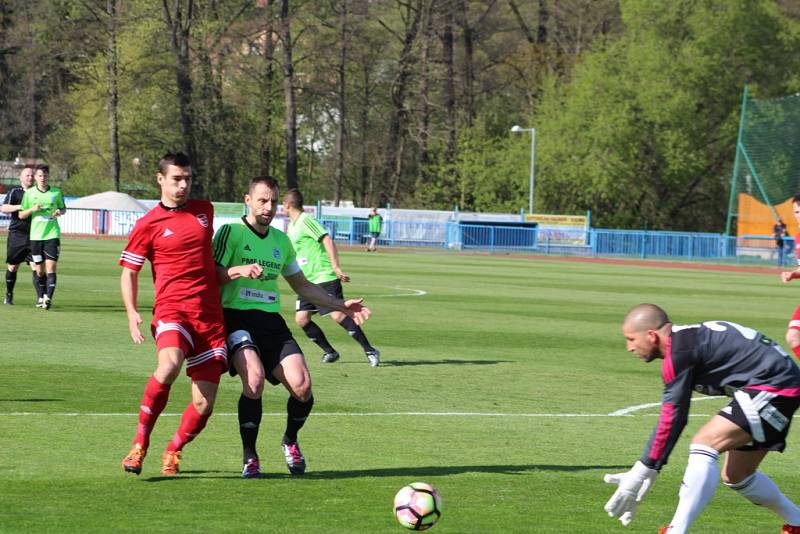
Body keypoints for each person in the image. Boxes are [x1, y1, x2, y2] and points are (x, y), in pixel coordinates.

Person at [213, 176, 370, 478]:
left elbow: (303, 286)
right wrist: (237, 270)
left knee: (302, 387)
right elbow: (209, 274)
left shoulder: (281, 241)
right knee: (255, 380)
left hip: (271, 322)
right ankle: (250, 456)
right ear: (248, 200)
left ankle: (290, 441)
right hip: (235, 318)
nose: (269, 207)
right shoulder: (229, 233)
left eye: (273, 201)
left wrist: (342, 305)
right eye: (262, 200)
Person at [604, 303, 800, 534]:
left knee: (704, 443)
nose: (629, 347)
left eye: (631, 339)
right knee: (737, 475)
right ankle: (797, 521)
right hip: (777, 385)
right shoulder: (685, 342)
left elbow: (673, 417)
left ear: (651, 336)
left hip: (775, 387)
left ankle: (677, 530)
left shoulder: (680, 353)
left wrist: (645, 468)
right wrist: (648, 468)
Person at [119, 152, 228, 476]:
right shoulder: (148, 224)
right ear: (160, 179)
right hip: (172, 311)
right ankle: (139, 444)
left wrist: (233, 272)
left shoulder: (204, 211)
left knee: (203, 404)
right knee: (168, 367)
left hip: (209, 318)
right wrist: (131, 312)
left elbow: (209, 262)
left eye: (188, 179)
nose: (183, 185)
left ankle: (173, 449)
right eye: (177, 179)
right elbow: (129, 272)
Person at [283, 189, 381, 367]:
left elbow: (327, 239)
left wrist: (335, 266)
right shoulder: (291, 225)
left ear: (287, 205)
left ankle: (370, 350)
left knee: (337, 314)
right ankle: (330, 352)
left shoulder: (307, 220)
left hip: (324, 276)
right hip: (306, 281)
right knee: (302, 319)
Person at [18, 164, 66, 309]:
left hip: (52, 234)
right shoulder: (30, 193)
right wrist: (33, 209)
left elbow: (63, 208)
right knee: (39, 270)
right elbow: (21, 214)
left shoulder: (56, 192)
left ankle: (48, 298)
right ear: (36, 177)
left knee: (51, 266)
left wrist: (59, 212)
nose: (43, 178)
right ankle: (41, 295)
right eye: (40, 176)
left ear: (48, 176)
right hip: (36, 237)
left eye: (45, 176)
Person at [2, 164, 36, 305]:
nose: (30, 177)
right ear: (21, 177)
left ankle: (41, 298)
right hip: (17, 234)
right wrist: (19, 206)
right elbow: (4, 208)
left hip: (35, 234)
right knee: (13, 266)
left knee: (37, 266)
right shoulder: (14, 192)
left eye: (32, 175)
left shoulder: (37, 192)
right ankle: (9, 294)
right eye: (27, 175)